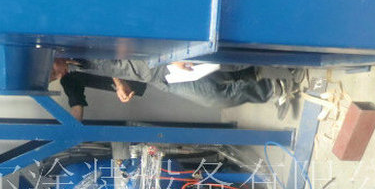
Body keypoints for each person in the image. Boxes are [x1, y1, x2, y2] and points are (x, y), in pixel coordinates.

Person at [51, 58, 300, 121]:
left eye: (53, 72)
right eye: (53, 79)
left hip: (159, 65)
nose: (58, 76)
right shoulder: (71, 69)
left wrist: (168, 56)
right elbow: (110, 63)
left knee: (215, 94)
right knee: (218, 81)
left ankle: (276, 85)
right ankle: (276, 84)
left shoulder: (76, 44)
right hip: (155, 78)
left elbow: (117, 45)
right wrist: (119, 84)